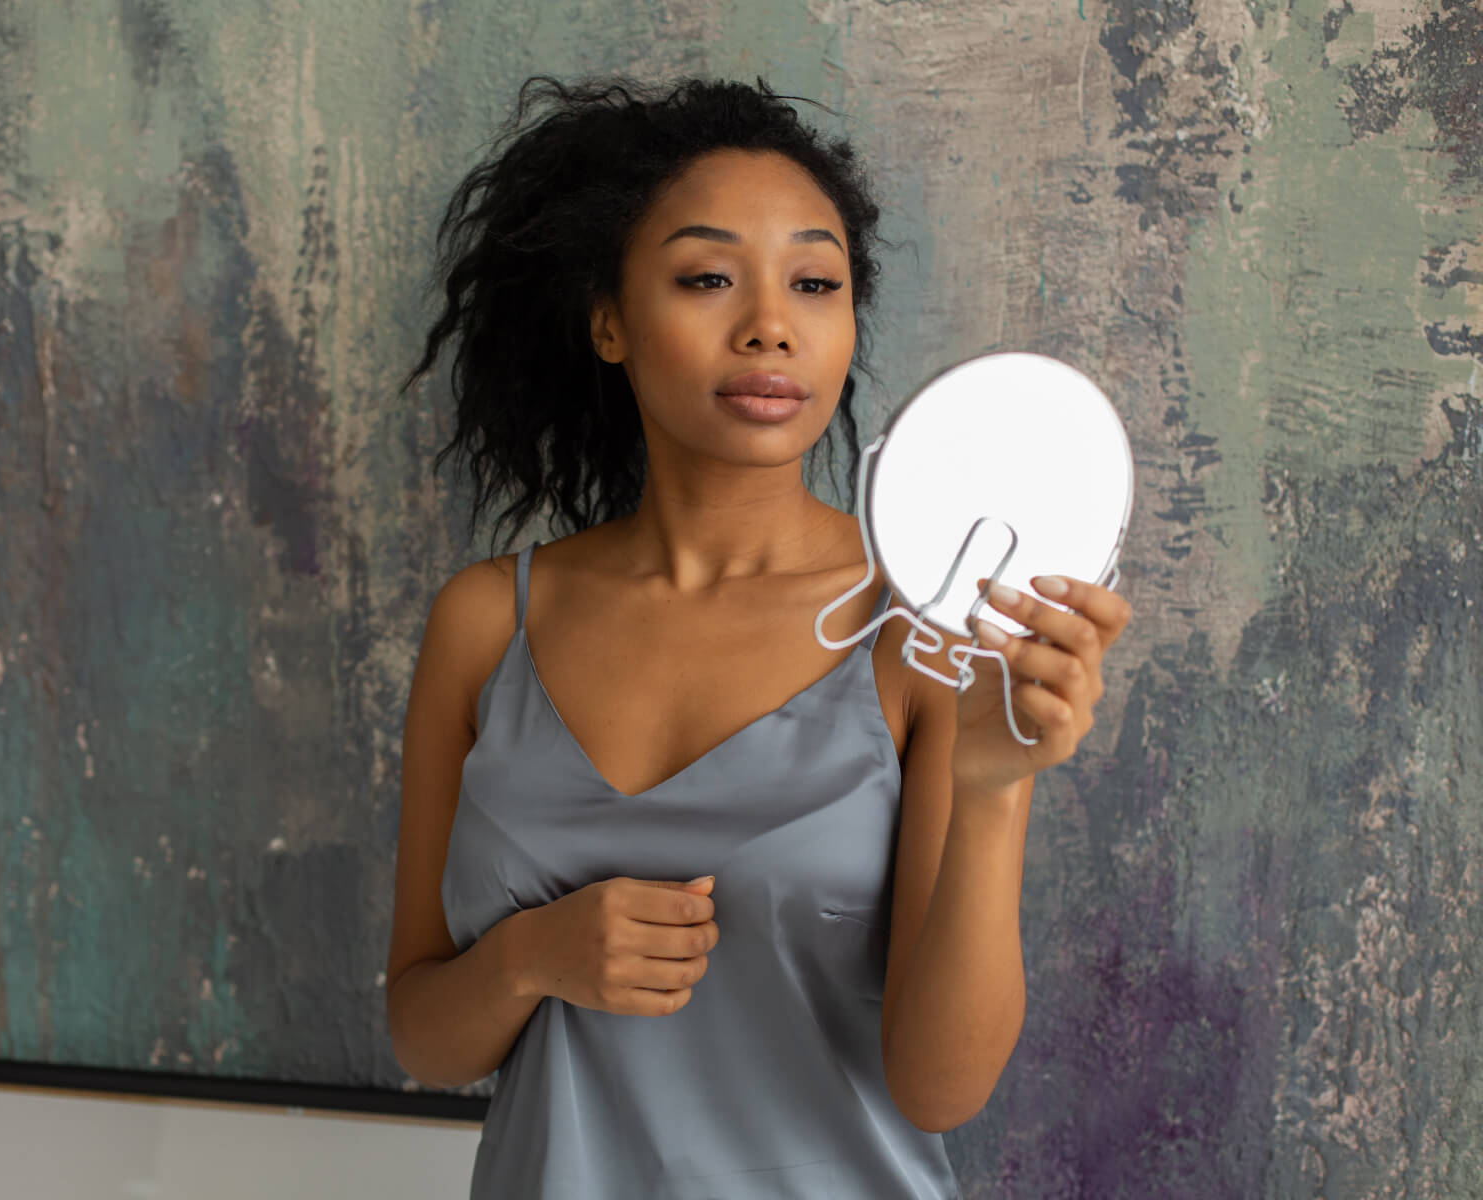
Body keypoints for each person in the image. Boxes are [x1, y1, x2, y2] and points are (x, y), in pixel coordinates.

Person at [383, 76, 1132, 1198]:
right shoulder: (488, 621)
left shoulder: (927, 626)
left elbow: (940, 1090)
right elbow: (422, 1035)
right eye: (706, 277)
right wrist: (536, 955)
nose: (770, 323)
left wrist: (988, 786)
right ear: (608, 320)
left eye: (814, 282)